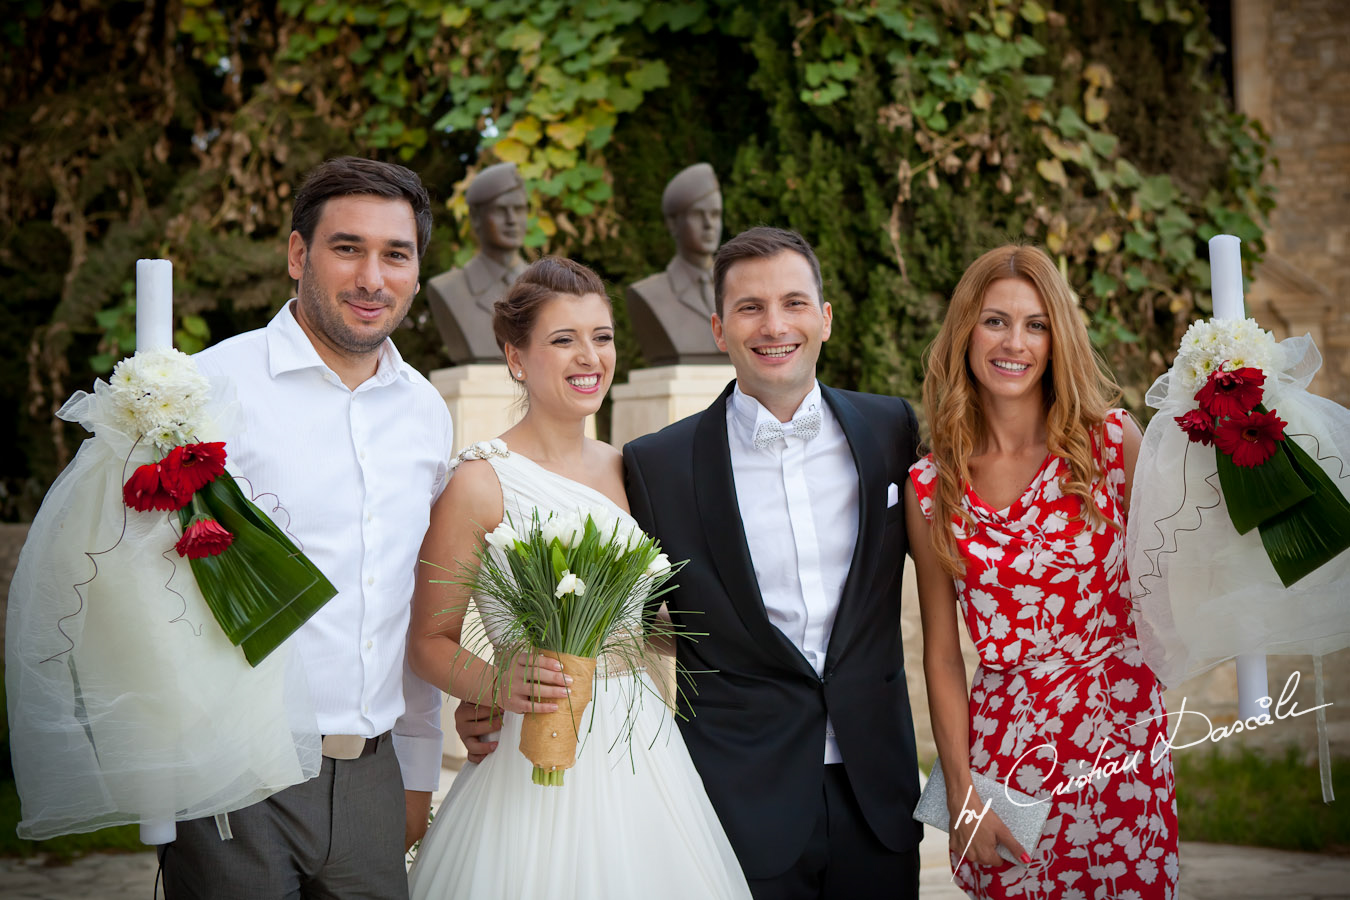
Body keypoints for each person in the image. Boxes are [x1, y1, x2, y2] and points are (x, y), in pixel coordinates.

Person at [406, 256, 751, 900]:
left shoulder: (635, 471)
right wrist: (497, 685)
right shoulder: (480, 482)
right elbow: (429, 640)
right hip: (529, 743)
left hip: (640, 744)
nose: (588, 356)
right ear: (516, 357)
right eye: (563, 340)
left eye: (602, 337)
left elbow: (657, 625)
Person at [159, 156, 453, 898]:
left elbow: (409, 598)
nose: (371, 279)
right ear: (298, 255)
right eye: (346, 248)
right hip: (236, 772)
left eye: (396, 254)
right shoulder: (210, 389)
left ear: (417, 269)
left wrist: (417, 769)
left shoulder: (425, 412)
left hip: (372, 778)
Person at [623, 226, 924, 899]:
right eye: (750, 307)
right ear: (719, 328)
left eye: (793, 302)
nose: (774, 324)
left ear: (824, 319)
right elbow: (630, 629)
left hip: (878, 790)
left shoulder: (891, 430)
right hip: (737, 794)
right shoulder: (658, 466)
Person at [905, 245, 1178, 899]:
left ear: (1058, 338)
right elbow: (942, 657)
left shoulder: (1112, 445)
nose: (1014, 342)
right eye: (995, 320)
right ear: (966, 329)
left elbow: (1183, 567)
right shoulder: (930, 486)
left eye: (1035, 324)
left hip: (1123, 753)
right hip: (1007, 761)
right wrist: (964, 795)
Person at [426, 161, 529, 363]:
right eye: (501, 210)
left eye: (519, 209)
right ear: (475, 218)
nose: (512, 220)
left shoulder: (546, 287)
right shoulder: (449, 288)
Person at [626, 162, 727, 364]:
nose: (709, 225)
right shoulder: (650, 294)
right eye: (699, 214)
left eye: (715, 214)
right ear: (673, 224)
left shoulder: (735, 286)